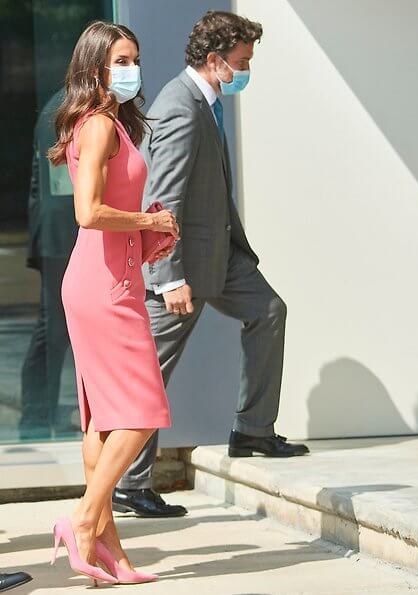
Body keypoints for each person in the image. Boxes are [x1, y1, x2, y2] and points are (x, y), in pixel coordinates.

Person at [113, 10, 309, 518]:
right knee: (151, 371)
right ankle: (129, 484)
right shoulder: (180, 107)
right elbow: (163, 197)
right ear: (216, 60)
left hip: (221, 255)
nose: (246, 71)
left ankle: (253, 431)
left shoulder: (205, 100)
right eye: (242, 62)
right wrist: (169, 276)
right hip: (183, 265)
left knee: (268, 310)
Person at [47, 21, 178, 585]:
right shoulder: (99, 124)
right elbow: (88, 212)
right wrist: (148, 220)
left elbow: (109, 213)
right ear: (95, 67)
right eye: (121, 61)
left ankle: (109, 548)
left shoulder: (110, 122)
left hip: (110, 279)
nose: (132, 69)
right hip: (102, 289)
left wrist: (148, 236)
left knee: (103, 422)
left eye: (135, 59)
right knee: (143, 411)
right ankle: (83, 519)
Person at [20, 89, 78, 441]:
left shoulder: (64, 105)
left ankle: (41, 415)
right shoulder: (63, 108)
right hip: (61, 236)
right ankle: (36, 419)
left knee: (55, 329)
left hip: (60, 233)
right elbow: (61, 185)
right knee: (53, 329)